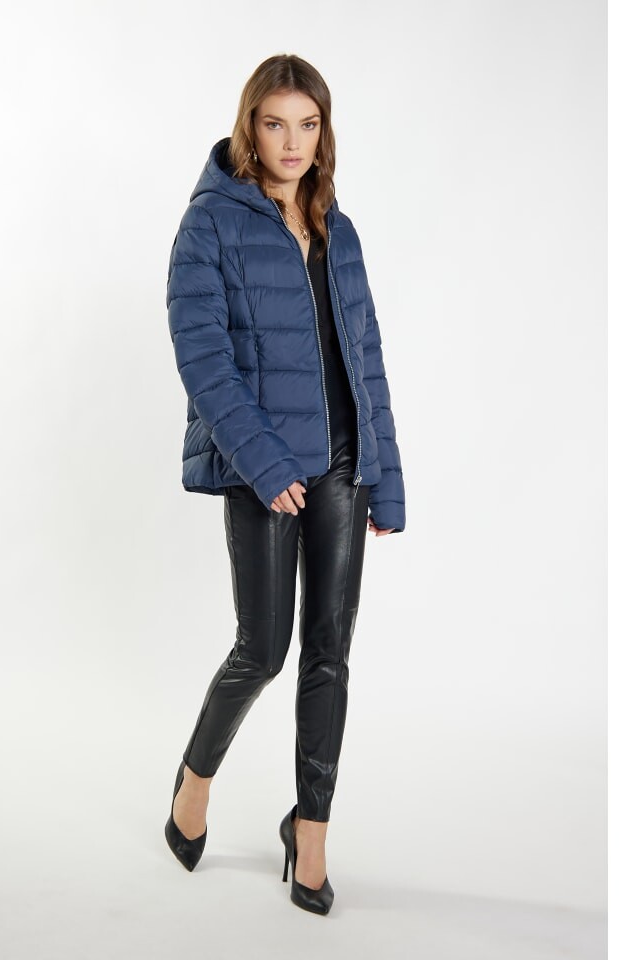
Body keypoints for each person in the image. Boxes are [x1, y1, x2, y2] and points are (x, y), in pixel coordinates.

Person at [164, 53, 406, 916]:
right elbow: (203, 359)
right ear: (250, 127)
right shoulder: (210, 224)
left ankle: (311, 834)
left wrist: (386, 475)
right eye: (275, 124)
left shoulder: (340, 229)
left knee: (330, 653)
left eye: (307, 124)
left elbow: (366, 359)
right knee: (262, 650)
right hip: (262, 466)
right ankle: (195, 779)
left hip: (344, 467)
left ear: (323, 131)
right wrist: (265, 466)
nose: (291, 142)